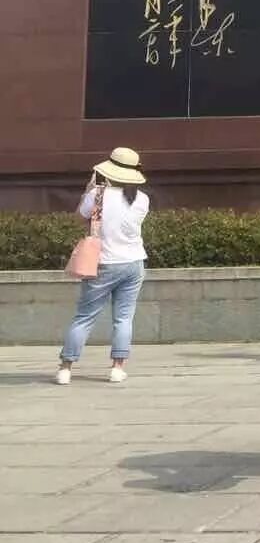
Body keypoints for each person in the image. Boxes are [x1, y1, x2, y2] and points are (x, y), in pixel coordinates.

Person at [56, 147, 149, 385]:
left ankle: (66, 368)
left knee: (84, 317)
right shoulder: (142, 199)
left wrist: (89, 189)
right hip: (134, 263)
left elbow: (80, 218)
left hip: (104, 263)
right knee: (124, 318)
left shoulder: (97, 195)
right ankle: (117, 368)